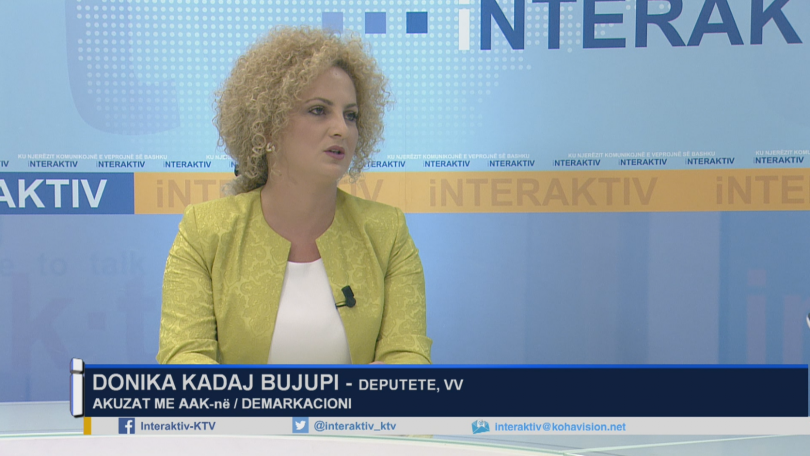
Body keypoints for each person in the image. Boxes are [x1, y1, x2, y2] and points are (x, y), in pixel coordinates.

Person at [156, 27, 431, 365]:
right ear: (267, 126)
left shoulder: (387, 232)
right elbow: (184, 360)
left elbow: (408, 357)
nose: (341, 129)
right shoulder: (205, 232)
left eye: (351, 115)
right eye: (318, 110)